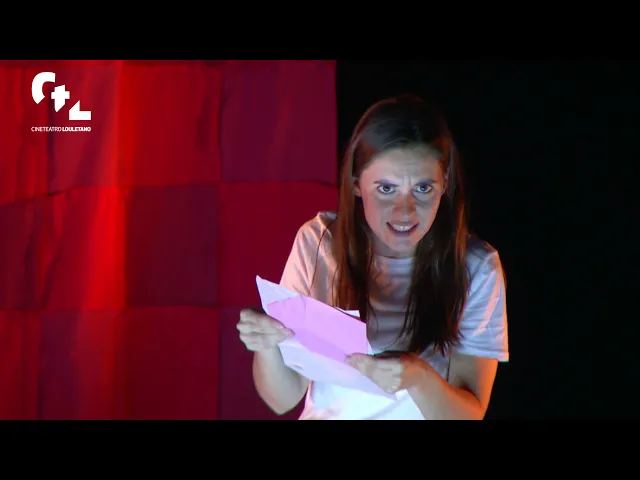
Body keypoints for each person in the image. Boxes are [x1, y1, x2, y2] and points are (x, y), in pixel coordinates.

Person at [237, 93, 509, 420]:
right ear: (356, 183)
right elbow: (282, 399)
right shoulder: (319, 241)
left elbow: (468, 414)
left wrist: (417, 377)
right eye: (386, 189)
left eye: (423, 188)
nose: (405, 211)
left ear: (444, 184)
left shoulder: (476, 266)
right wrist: (267, 344)